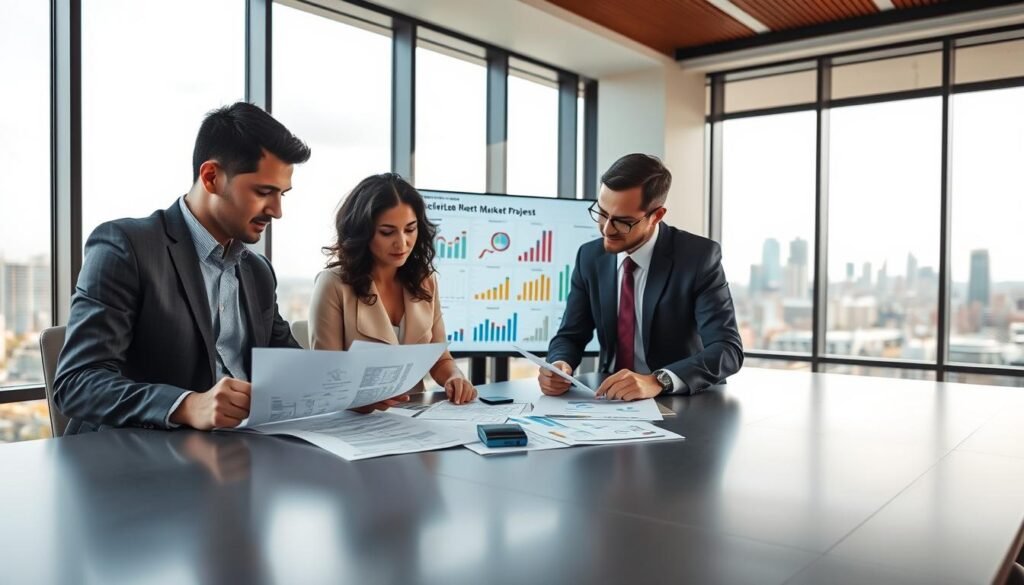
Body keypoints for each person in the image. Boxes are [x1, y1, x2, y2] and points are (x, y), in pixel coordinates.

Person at [54, 102, 311, 434]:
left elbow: (288, 366)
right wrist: (187, 405)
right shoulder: (125, 247)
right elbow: (77, 382)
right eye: (264, 192)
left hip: (242, 453)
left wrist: (348, 392)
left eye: (282, 195)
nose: (276, 211)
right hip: (141, 458)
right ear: (211, 177)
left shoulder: (258, 272)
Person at [539, 153, 743, 400]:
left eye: (623, 221)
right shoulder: (589, 257)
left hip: (682, 401)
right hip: (611, 398)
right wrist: (559, 365)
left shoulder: (698, 258)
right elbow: (570, 335)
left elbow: (727, 350)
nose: (606, 229)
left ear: (656, 216)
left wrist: (658, 380)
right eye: (602, 213)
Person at [309, 173, 477, 408]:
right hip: (355, 423)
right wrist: (364, 402)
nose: (402, 243)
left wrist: (454, 376)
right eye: (387, 232)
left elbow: (439, 358)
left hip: (413, 417)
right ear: (363, 233)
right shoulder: (333, 284)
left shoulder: (426, 281)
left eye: (410, 229)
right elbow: (326, 379)